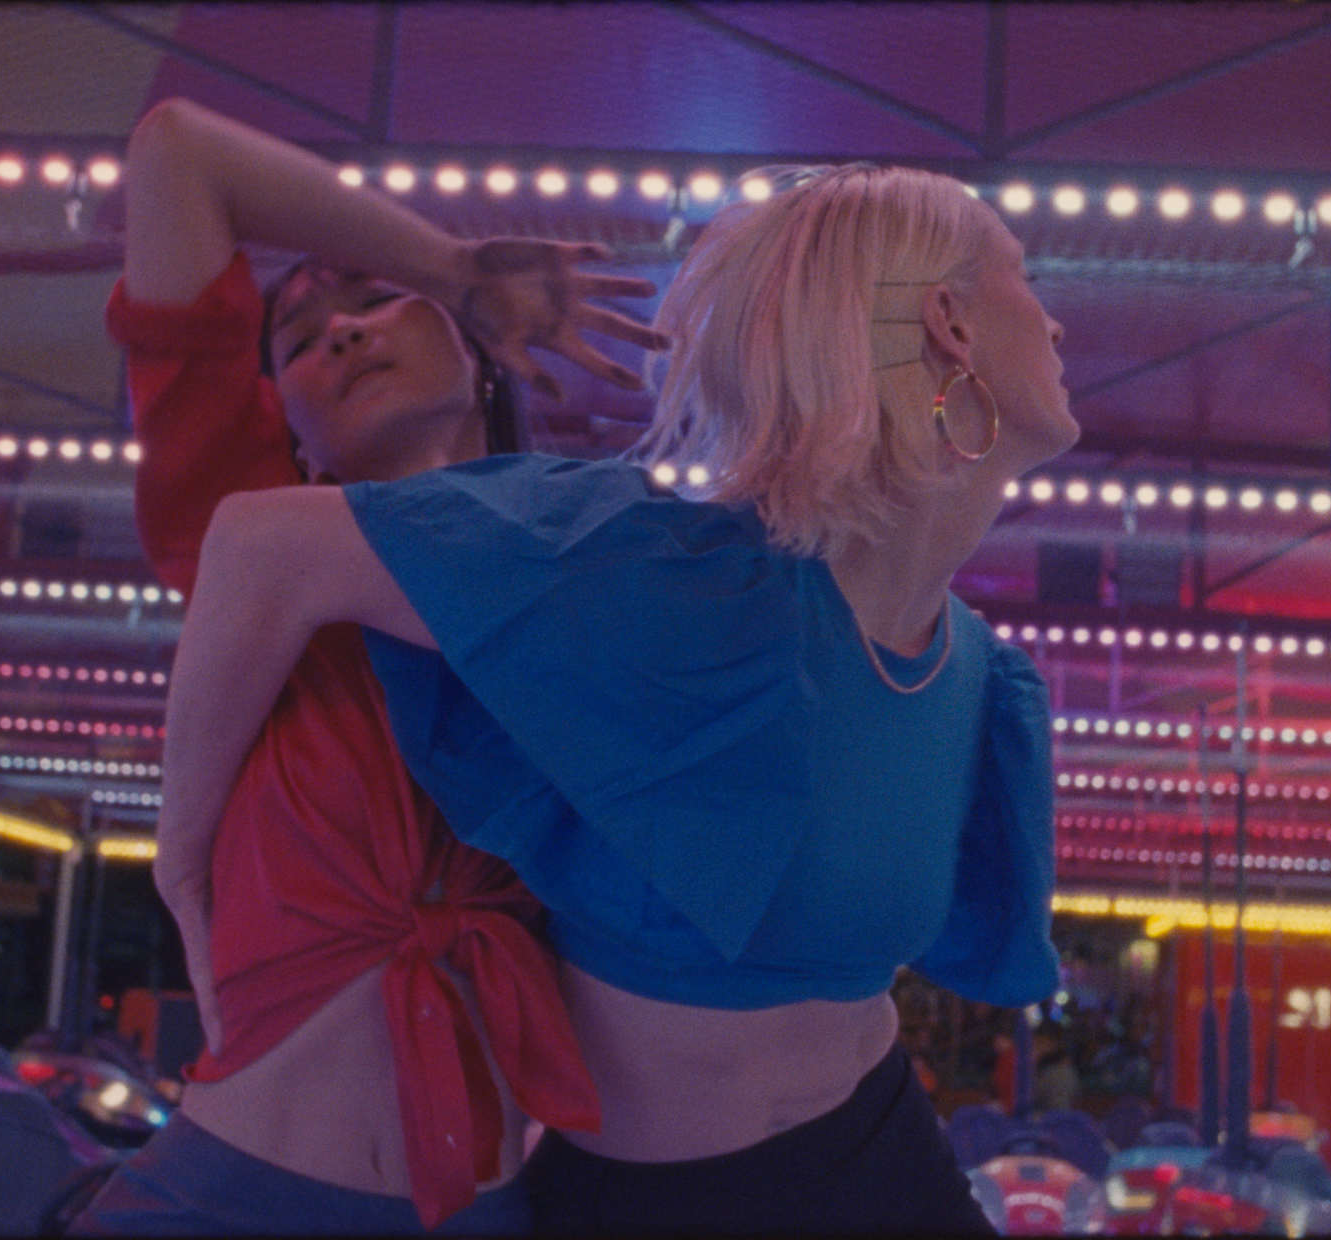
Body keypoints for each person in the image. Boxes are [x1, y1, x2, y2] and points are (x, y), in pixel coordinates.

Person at [161, 161, 1077, 1233]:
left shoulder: (977, 680)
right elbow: (260, 545)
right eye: (1025, 280)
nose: (1055, 324)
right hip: (646, 1202)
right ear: (948, 325)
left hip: (883, 1155)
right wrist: (181, 854)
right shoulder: (669, 578)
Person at [69, 97, 663, 1235]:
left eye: (373, 300)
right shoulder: (250, 548)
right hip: (228, 1201)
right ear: (286, 428)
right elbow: (177, 153)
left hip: (494, 1207)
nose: (339, 334)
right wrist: (447, 268)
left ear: (477, 358)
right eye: (297, 340)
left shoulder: (595, 560)